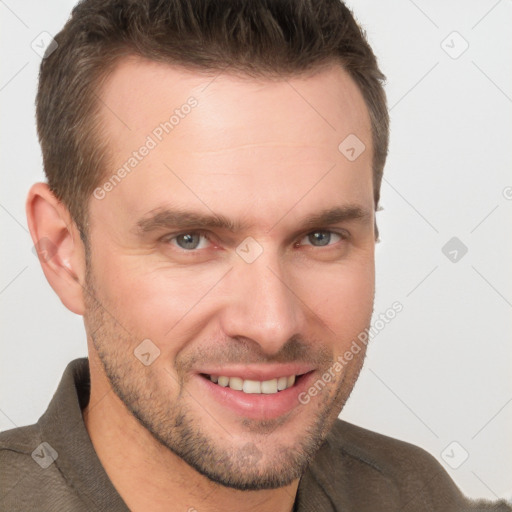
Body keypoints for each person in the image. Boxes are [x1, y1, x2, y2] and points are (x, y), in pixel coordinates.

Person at [0, 1, 510, 511]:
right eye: (190, 240)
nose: (272, 324)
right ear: (63, 250)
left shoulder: (416, 496)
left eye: (319, 236)